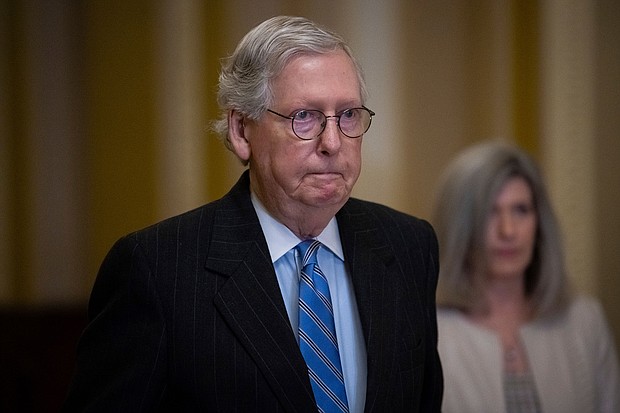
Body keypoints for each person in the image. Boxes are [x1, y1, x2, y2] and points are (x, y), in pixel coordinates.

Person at [62, 16, 443, 412]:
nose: (333, 142)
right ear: (242, 131)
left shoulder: (409, 246)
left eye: (348, 115)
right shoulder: (156, 269)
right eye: (305, 117)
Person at [432, 140, 620, 413]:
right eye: (490, 213)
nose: (508, 231)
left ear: (539, 222)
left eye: (521, 210)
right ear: (460, 227)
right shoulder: (431, 334)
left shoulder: (585, 322)